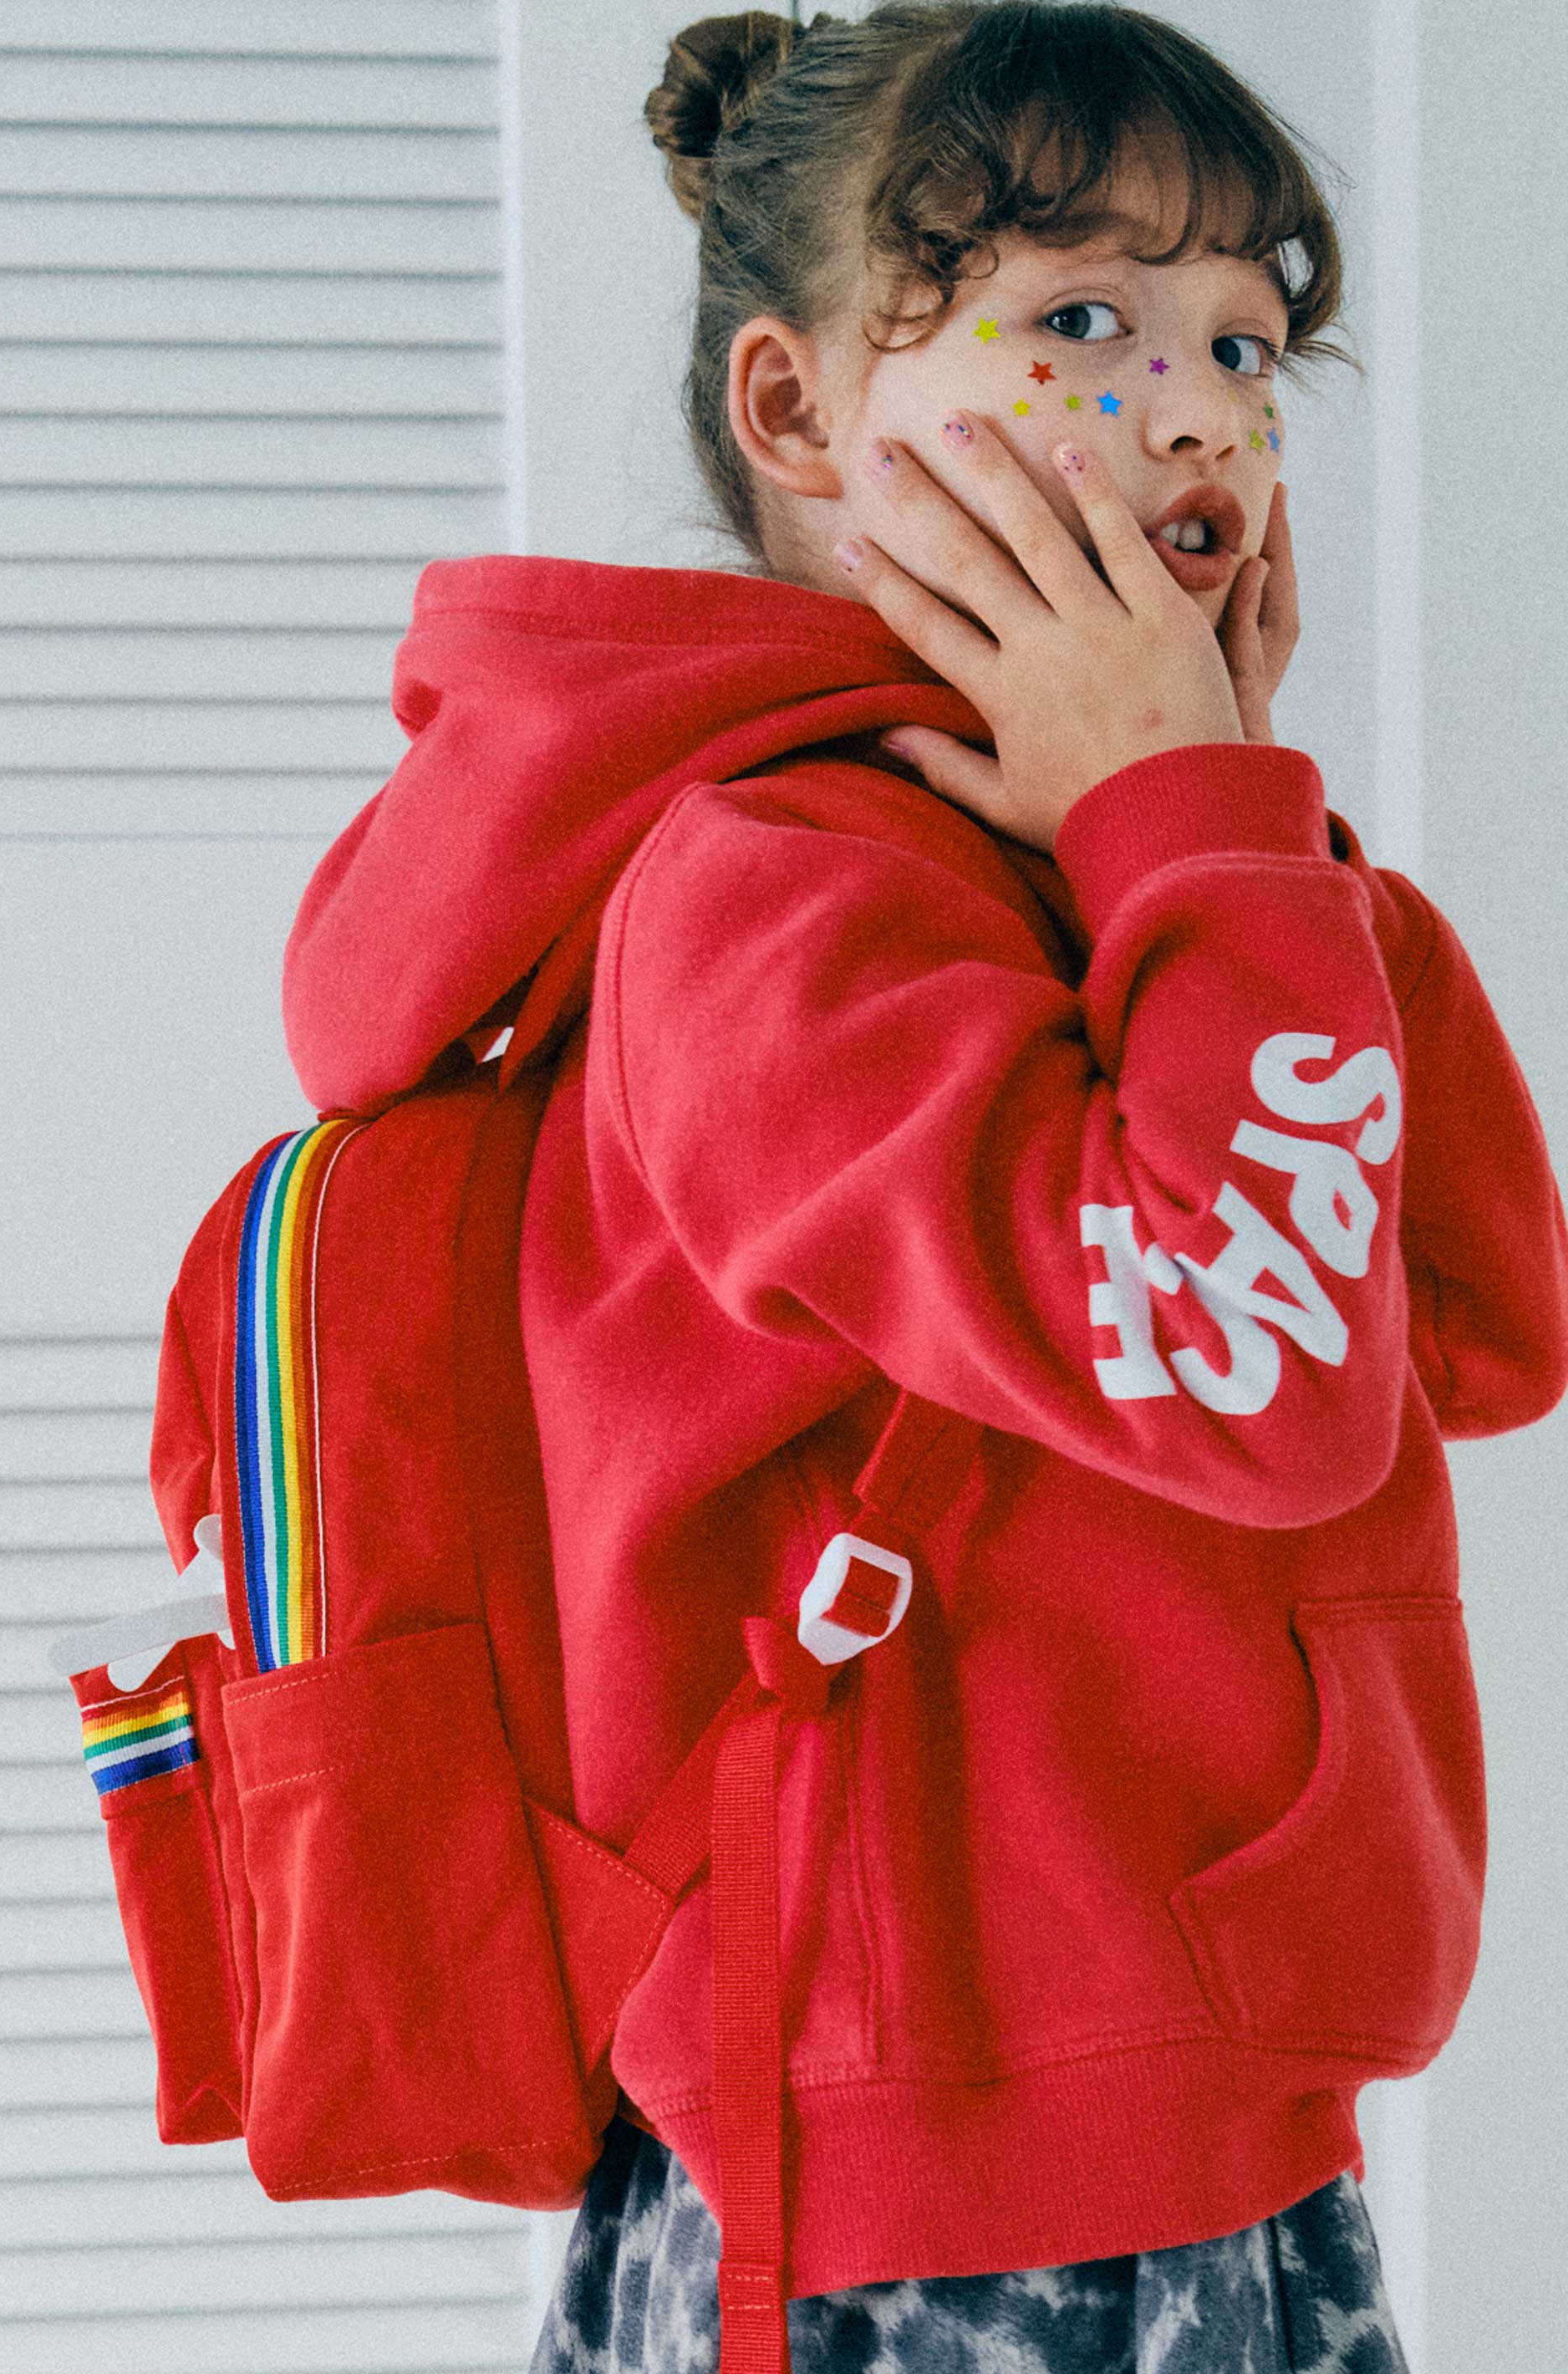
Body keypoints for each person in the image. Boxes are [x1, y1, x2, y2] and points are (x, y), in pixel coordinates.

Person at [278, 7, 1568, 2368]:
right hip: (928, 2189)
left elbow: (1476, 1319)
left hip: (1179, 2116)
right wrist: (1183, 831)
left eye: (1243, 342)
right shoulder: (777, 901)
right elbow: (1261, 1375)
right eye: (1081, 318)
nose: (1198, 413)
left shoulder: (1091, 859)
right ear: (795, 417)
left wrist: (1219, 821)